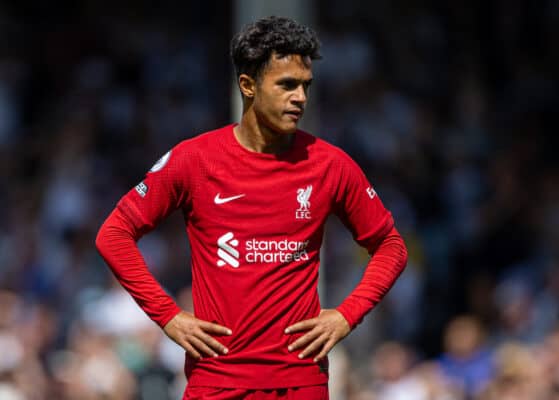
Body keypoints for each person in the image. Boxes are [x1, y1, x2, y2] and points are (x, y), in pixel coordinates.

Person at [96, 15, 408, 400]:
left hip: (300, 381)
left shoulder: (331, 165)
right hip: (217, 381)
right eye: (287, 85)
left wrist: (347, 314)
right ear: (248, 85)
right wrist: (169, 317)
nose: (300, 98)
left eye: (305, 86)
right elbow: (113, 235)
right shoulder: (194, 160)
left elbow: (391, 246)